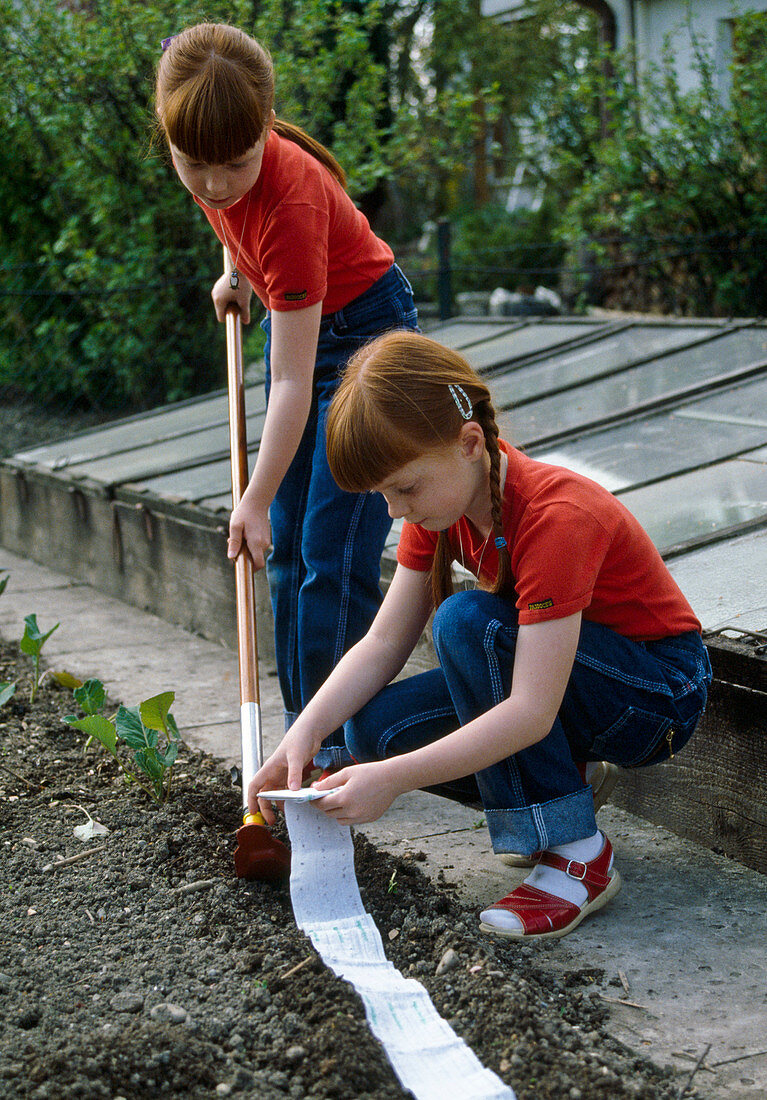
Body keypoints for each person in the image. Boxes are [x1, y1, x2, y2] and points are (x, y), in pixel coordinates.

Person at [250, 330, 712, 941]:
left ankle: (577, 854)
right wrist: (303, 734)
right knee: (373, 731)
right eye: (383, 494)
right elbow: (383, 643)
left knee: (468, 623)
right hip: (573, 682)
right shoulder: (443, 509)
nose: (394, 511)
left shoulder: (556, 516)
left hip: (656, 695)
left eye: (404, 488)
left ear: (470, 443)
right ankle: (564, 788)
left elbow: (528, 710)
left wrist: (392, 780)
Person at [155, 24, 418, 769]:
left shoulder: (294, 205)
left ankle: (330, 748)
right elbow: (232, 219)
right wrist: (238, 274)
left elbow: (297, 380)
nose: (212, 184)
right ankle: (307, 735)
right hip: (305, 326)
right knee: (283, 560)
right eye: (191, 164)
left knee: (329, 554)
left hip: (363, 337)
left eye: (233, 164)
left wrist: (255, 495)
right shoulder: (218, 159)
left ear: (264, 130)